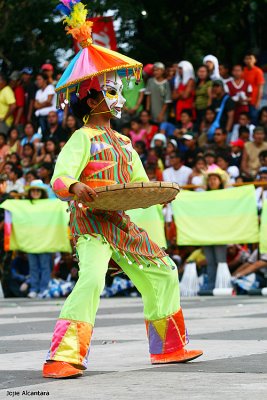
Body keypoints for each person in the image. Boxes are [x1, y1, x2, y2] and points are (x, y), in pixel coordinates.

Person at [42, 1, 202, 379]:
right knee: (93, 279)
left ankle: (169, 347)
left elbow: (139, 183)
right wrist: (77, 185)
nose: (119, 98)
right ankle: (62, 357)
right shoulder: (82, 137)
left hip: (119, 219)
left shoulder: (126, 141)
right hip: (91, 221)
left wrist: (158, 191)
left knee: (164, 269)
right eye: (110, 91)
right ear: (93, 98)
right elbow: (59, 178)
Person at [202, 165, 229, 290]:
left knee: (221, 260)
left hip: (220, 233)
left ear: (220, 181)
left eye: (215, 179)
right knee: (210, 261)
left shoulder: (225, 196)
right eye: (210, 179)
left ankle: (223, 285)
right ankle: (211, 285)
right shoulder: (202, 197)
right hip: (206, 233)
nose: (212, 181)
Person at [25, 180, 52, 298]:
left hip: (45, 240)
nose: (35, 192)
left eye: (38, 190)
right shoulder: (25, 206)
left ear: (42, 192)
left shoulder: (50, 206)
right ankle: (34, 289)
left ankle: (44, 289)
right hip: (31, 241)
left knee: (45, 266)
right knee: (33, 267)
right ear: (30, 192)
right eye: (33, 190)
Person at [243, 51, 265, 124]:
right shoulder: (243, 70)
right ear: (244, 60)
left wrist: (257, 102)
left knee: (253, 120)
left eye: (250, 58)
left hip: (254, 101)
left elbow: (260, 88)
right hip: (244, 101)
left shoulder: (258, 71)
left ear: (255, 60)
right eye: (246, 58)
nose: (248, 60)